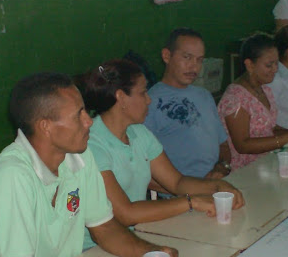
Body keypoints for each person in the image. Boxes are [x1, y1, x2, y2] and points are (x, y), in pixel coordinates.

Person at [0, 72, 183, 257]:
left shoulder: (80, 156)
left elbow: (105, 228)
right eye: (77, 115)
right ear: (45, 127)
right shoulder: (12, 176)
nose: (89, 121)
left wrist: (152, 253)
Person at [81, 59, 244, 234]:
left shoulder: (139, 133)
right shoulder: (92, 144)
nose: (149, 100)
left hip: (134, 232)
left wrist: (217, 187)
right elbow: (125, 213)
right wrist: (191, 202)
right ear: (121, 97)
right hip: (97, 247)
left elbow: (177, 182)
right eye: (143, 93)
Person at [218, 34, 288, 169]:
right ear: (249, 65)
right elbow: (242, 145)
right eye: (269, 65)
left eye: (276, 63)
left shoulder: (264, 89)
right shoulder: (236, 99)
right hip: (245, 168)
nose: (275, 69)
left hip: (266, 162)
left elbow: (268, 129)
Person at [144, 28, 231, 179]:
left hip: (216, 183)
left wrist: (222, 168)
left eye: (199, 60)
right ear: (166, 56)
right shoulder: (149, 102)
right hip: (181, 193)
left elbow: (223, 145)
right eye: (187, 57)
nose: (194, 67)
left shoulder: (204, 96)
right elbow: (143, 163)